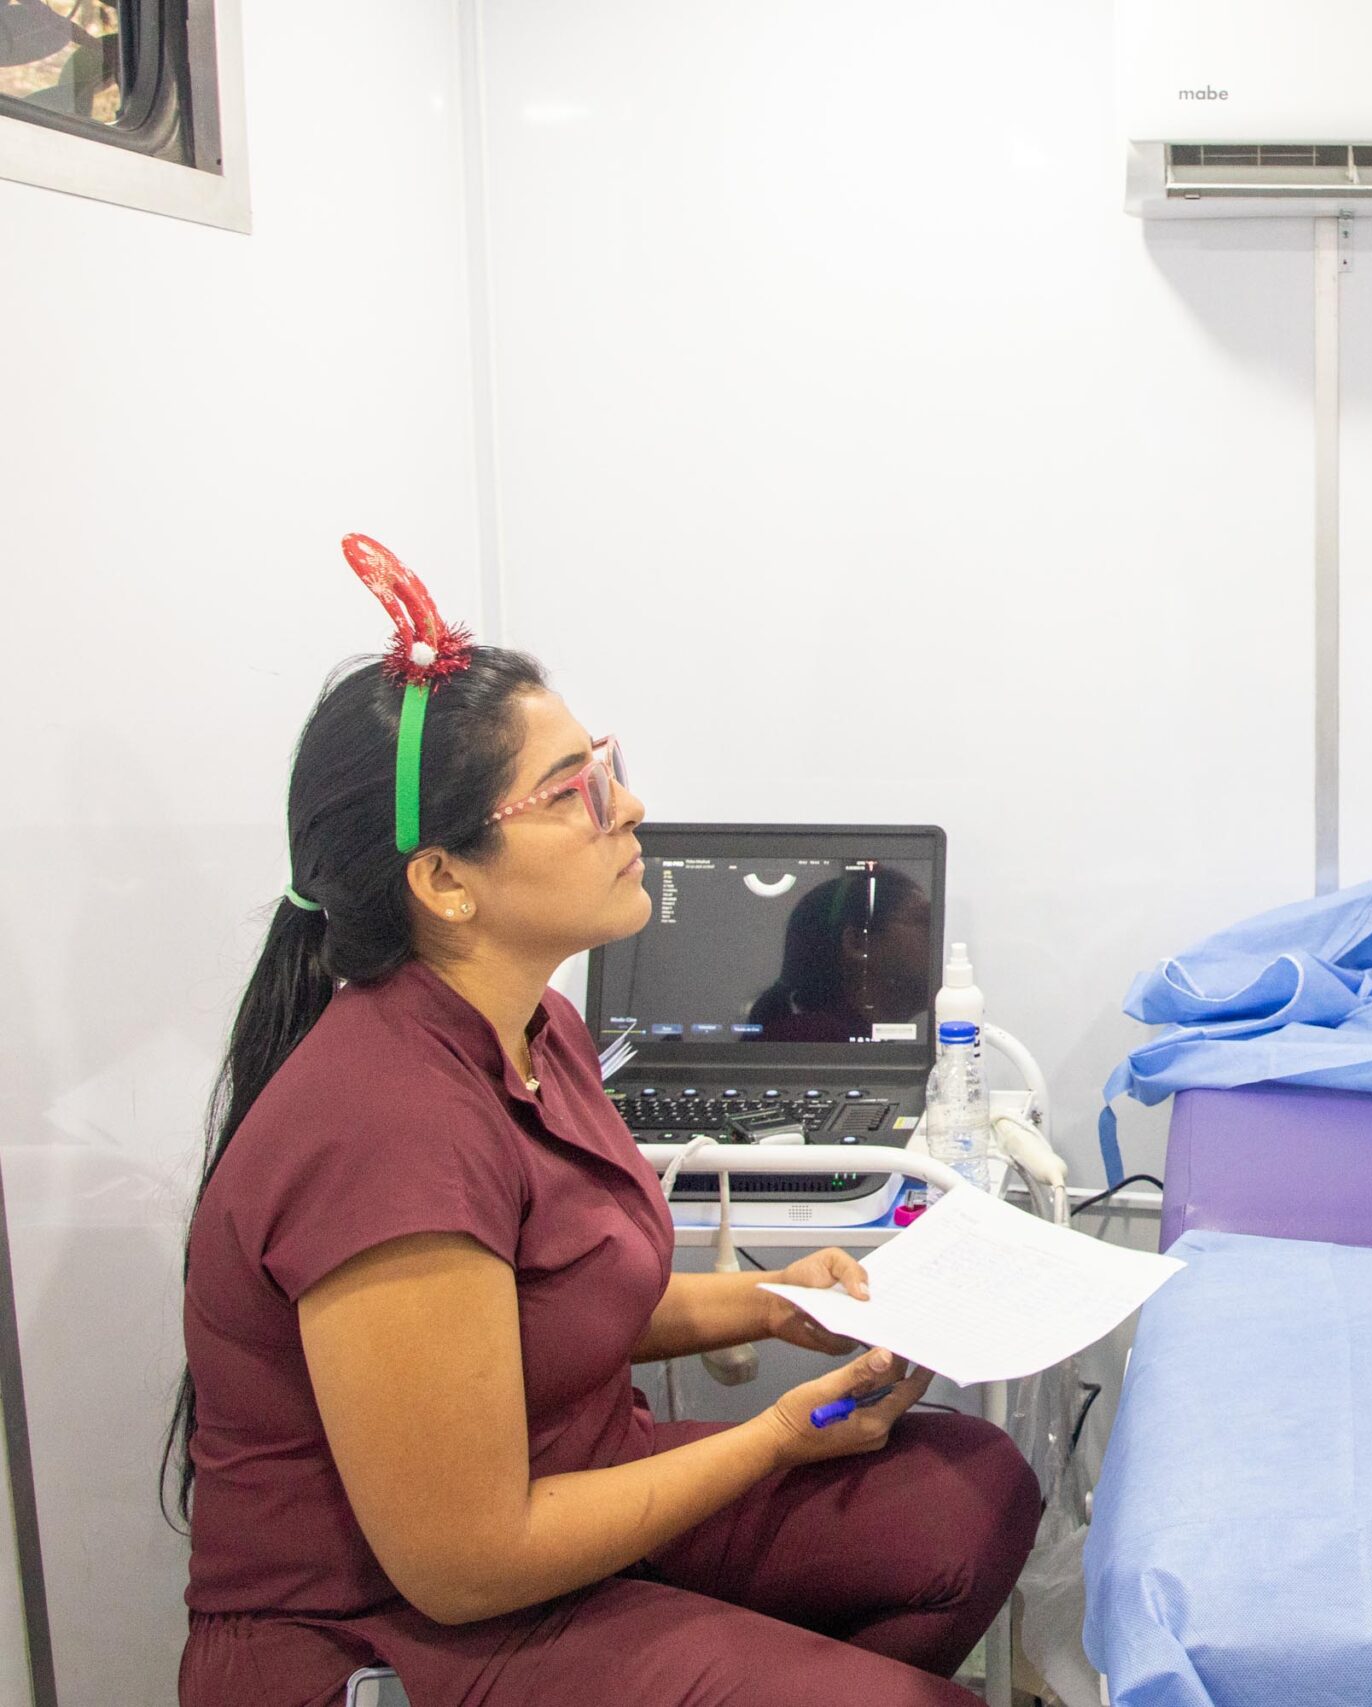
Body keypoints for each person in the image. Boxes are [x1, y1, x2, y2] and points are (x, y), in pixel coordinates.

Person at [169, 538, 1039, 1707]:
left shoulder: (537, 1031)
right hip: (388, 1624)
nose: (628, 805)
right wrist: (774, 1437)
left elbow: (552, 1310)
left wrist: (785, 1300)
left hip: (565, 1501)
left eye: (606, 763)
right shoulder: (383, 1134)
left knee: (970, 1496)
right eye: (574, 789)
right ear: (444, 882)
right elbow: (464, 1564)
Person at [749, 867, 937, 1042]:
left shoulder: (836, 1042)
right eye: (925, 920)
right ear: (858, 943)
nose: (940, 934)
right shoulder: (810, 1043)